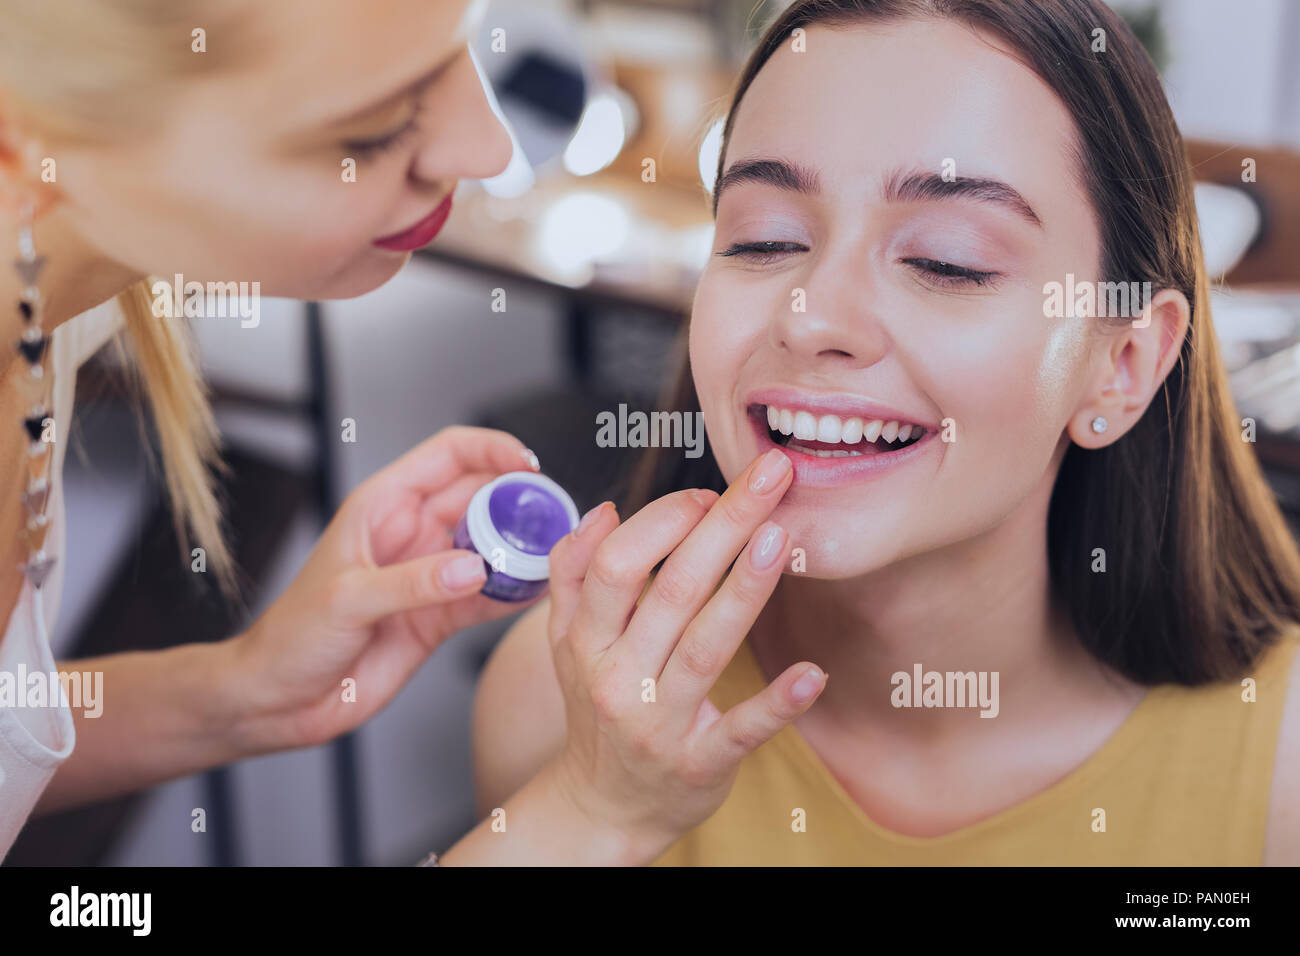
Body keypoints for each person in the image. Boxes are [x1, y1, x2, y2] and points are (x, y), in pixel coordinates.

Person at [474, 0, 1300, 864]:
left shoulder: (1280, 768)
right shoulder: (564, 698)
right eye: (764, 240)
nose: (812, 316)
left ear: (1122, 366)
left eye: (947, 261)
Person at [2, 0, 817, 866]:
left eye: (461, 47)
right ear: (27, 154)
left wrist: (241, 691)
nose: (489, 149)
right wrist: (593, 814)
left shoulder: (42, 299)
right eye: (375, 129)